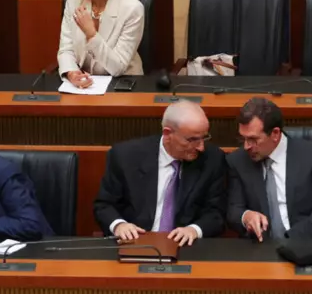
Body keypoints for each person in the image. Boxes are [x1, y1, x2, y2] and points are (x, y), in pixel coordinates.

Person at [93, 100, 226, 246]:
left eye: (204, 137)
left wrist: (194, 230)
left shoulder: (212, 159)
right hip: (135, 242)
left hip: (186, 246)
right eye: (192, 140)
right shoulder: (125, 156)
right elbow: (104, 205)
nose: (201, 147)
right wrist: (119, 225)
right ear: (168, 134)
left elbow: (216, 213)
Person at [226, 98, 312, 240]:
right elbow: (233, 210)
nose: (246, 146)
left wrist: (288, 241)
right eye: (243, 138)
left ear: (275, 134)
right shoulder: (237, 161)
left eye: (253, 139)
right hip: (261, 246)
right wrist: (246, 216)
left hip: (310, 241)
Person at [57, 0, 144, 89]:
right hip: (83, 86)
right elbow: (66, 49)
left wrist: (91, 34)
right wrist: (72, 73)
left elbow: (118, 67)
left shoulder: (132, 9)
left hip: (122, 85)